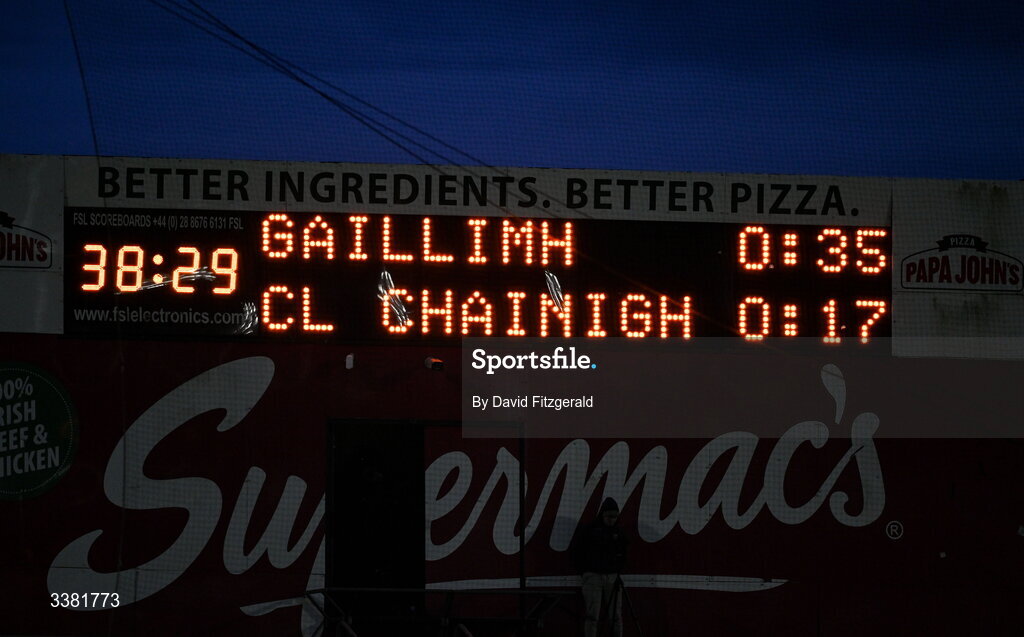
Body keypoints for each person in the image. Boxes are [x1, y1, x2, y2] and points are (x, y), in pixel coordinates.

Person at [572, 498, 628, 637]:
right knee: (593, 616)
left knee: (615, 616)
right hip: (593, 576)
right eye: (609, 516)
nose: (612, 520)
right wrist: (586, 572)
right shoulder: (590, 530)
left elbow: (624, 553)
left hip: (611, 576)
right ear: (602, 514)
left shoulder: (619, 533)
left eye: (614, 516)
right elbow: (577, 551)